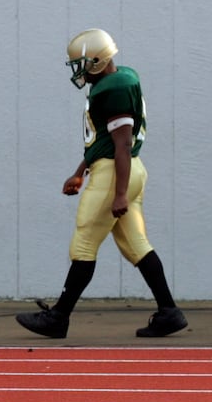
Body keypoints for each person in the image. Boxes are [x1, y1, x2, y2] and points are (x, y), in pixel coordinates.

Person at [16, 28, 186, 339]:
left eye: (81, 63)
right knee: (136, 244)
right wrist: (81, 170)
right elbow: (106, 140)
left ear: (96, 61)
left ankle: (59, 317)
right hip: (126, 169)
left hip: (116, 173)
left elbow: (121, 143)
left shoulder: (113, 88)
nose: (78, 70)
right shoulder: (119, 79)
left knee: (84, 241)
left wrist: (119, 192)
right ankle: (169, 312)